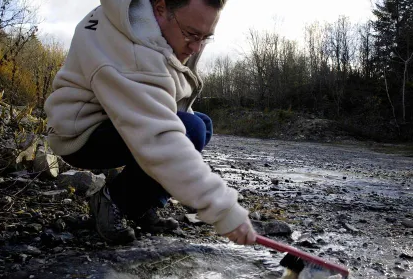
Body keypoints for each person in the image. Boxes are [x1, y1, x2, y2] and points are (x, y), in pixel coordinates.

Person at [44, 0, 257, 246]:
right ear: (160, 8)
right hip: (79, 133)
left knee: (202, 123)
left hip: (113, 117)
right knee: (191, 130)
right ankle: (113, 202)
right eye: (191, 34)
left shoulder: (146, 23)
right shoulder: (132, 49)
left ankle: (140, 205)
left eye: (206, 37)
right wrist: (224, 211)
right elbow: (160, 138)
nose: (197, 47)